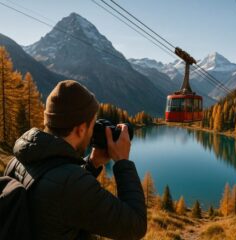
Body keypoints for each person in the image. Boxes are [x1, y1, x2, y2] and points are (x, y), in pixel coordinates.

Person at [4, 80, 147, 239]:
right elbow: (136, 225)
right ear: (80, 129)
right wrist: (122, 162)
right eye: (93, 126)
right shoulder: (71, 185)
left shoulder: (17, 160)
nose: (93, 132)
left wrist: (92, 163)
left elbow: (57, 192)